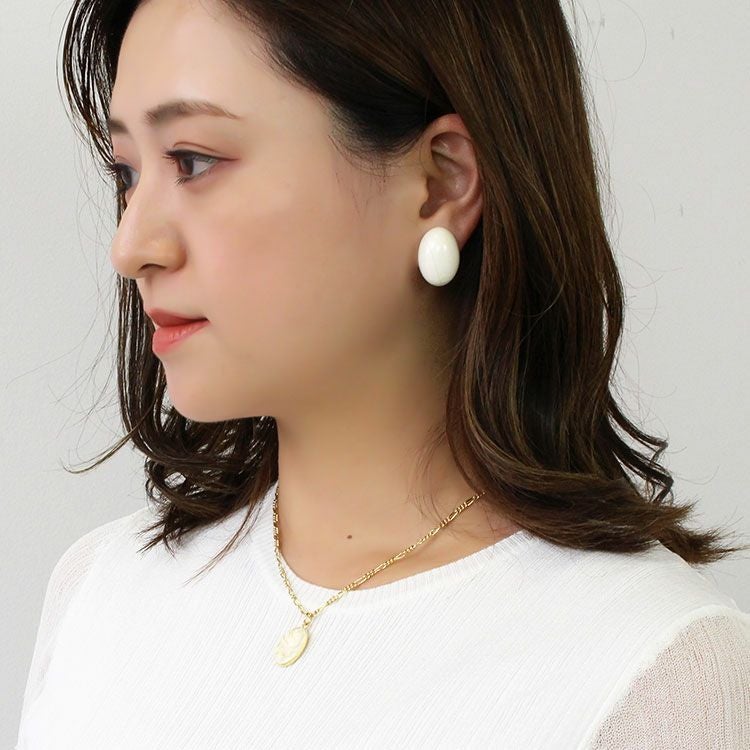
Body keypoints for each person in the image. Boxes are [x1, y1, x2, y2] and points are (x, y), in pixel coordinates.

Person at [16, 0, 750, 747]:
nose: (130, 245)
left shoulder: (650, 674)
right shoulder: (100, 591)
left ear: (440, 183)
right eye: (128, 172)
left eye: (193, 161)